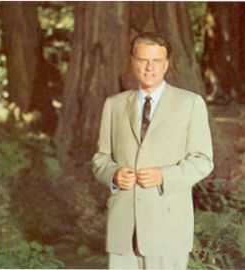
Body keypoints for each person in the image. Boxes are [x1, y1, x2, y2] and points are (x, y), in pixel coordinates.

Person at [92, 32, 214, 269]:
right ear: (132, 61)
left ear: (166, 64)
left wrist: (164, 176)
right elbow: (101, 158)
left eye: (156, 61)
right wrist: (114, 175)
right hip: (123, 228)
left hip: (167, 226)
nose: (149, 67)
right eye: (143, 59)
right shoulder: (114, 105)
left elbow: (203, 160)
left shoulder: (190, 103)